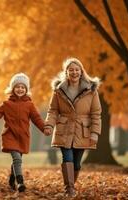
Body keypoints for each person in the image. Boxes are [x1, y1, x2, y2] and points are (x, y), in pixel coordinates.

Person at [44, 57, 101, 197]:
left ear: (81, 72)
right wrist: (49, 125)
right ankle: (69, 188)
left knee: (76, 163)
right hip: (65, 129)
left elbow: (96, 113)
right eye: (71, 70)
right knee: (67, 157)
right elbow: (53, 110)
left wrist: (95, 133)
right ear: (66, 72)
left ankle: (71, 186)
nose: (74, 72)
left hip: (83, 130)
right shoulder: (59, 90)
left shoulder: (91, 90)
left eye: (77, 70)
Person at [0, 73, 45, 192]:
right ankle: (20, 182)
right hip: (10, 135)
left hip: (22, 137)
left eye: (23, 87)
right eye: (17, 87)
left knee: (17, 160)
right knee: (17, 159)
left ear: (26, 90)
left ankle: (12, 179)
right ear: (12, 88)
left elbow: (37, 119)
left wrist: (45, 128)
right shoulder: (7, 104)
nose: (20, 89)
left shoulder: (30, 105)